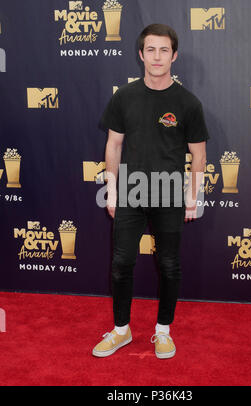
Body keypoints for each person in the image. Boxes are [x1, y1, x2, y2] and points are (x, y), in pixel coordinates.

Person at [92, 23, 209, 359]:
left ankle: (163, 332)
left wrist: (193, 195)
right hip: (130, 192)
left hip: (170, 192)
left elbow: (199, 155)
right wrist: (111, 190)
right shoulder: (124, 97)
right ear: (141, 54)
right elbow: (113, 145)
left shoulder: (188, 103)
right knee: (121, 263)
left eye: (164, 50)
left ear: (174, 55)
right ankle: (121, 331)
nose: (157, 57)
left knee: (169, 265)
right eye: (151, 50)